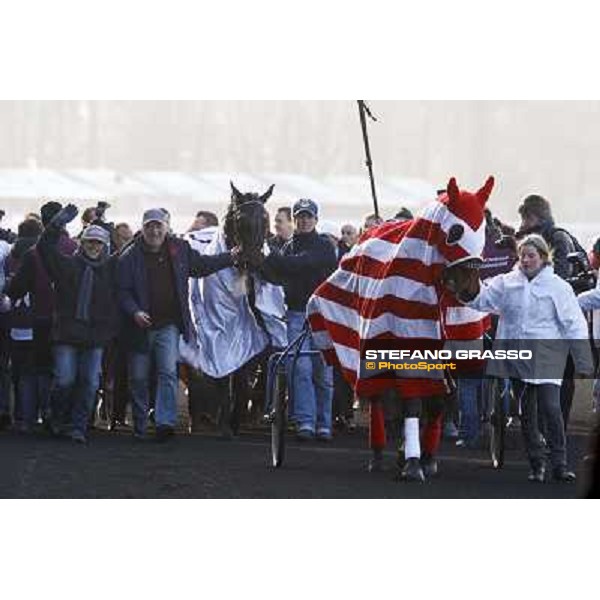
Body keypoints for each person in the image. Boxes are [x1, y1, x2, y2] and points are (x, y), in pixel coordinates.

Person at [462, 234, 593, 482]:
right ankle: (537, 464)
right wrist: (466, 289)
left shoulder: (558, 287)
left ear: (543, 258)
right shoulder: (506, 282)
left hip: (547, 357)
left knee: (552, 408)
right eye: (522, 256)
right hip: (516, 356)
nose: (526, 260)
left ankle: (560, 463)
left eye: (531, 256)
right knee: (527, 414)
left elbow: (573, 324)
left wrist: (583, 360)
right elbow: (482, 300)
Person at [117, 208, 240, 441]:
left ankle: (165, 423)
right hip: (138, 328)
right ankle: (141, 424)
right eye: (150, 226)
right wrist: (134, 311)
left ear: (166, 227)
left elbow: (201, 266)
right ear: (143, 229)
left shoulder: (179, 249)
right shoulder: (129, 256)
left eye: (158, 226)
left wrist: (230, 257)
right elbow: (122, 291)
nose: (154, 231)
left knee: (167, 372)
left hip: (168, 324)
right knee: (139, 377)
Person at [36, 205, 120, 443]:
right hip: (67, 334)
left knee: (90, 383)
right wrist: (55, 224)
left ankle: (78, 426)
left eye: (99, 243)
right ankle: (56, 417)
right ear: (81, 243)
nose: (94, 247)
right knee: (65, 380)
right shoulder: (66, 266)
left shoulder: (111, 270)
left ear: (105, 247)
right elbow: (43, 248)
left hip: (95, 337)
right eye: (90, 242)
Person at [259, 198, 337, 440]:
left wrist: (270, 257)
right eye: (300, 216)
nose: (304, 220)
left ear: (316, 219)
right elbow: (275, 274)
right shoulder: (286, 248)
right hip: (295, 314)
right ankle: (306, 423)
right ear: (295, 219)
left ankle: (324, 423)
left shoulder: (324, 246)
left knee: (322, 373)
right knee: (300, 369)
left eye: (308, 216)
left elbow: (299, 264)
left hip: (323, 315)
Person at [4, 202, 78, 430]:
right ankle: (58, 417)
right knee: (65, 373)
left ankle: (30, 418)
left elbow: (16, 289)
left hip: (38, 319)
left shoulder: (30, 253)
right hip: (70, 321)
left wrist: (10, 289)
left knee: (34, 371)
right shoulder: (74, 247)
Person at [2, 218, 43, 432]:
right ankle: (32, 415)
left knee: (17, 373)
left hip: (15, 321)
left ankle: (19, 416)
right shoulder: (40, 255)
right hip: (38, 321)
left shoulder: (10, 257)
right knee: (36, 373)